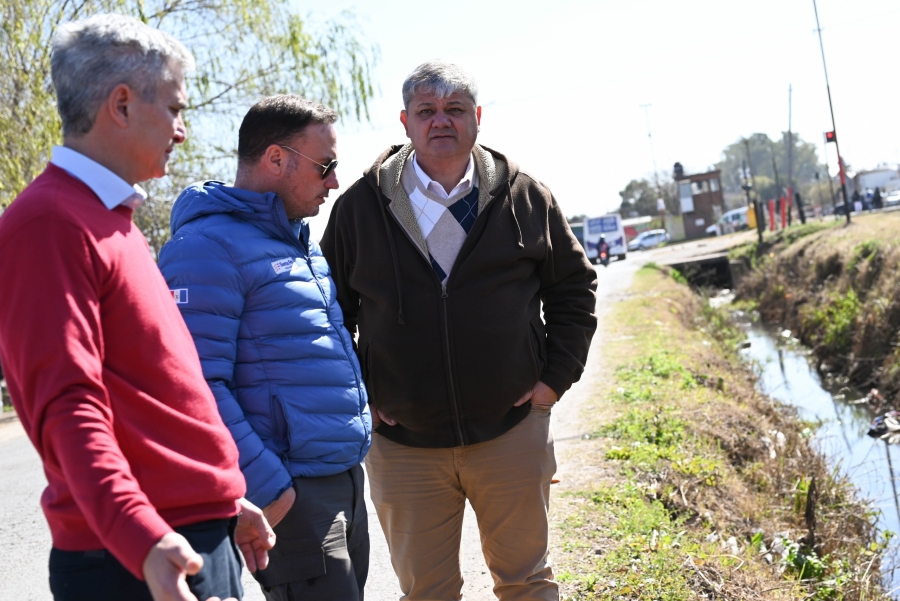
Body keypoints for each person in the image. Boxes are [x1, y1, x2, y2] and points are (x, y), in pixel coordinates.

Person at [0, 14, 274, 601]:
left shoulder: (108, 219)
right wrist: (141, 537)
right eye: (175, 110)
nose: (181, 131)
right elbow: (67, 405)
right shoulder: (50, 223)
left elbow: (150, 394)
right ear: (121, 105)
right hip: (134, 559)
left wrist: (224, 500)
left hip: (179, 538)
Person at [321, 60, 598, 600]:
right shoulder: (359, 208)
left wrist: (554, 380)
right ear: (405, 122)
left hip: (511, 433)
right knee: (427, 593)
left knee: (527, 583)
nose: (439, 122)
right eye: (426, 111)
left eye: (453, 110)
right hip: (403, 448)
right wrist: (361, 392)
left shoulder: (526, 197)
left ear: (477, 118)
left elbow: (572, 291)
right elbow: (329, 313)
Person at [158, 95, 372, 601]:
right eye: (327, 166)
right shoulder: (206, 248)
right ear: (276, 160)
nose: (334, 182)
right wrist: (270, 487)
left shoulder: (297, 243)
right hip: (292, 492)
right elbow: (194, 386)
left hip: (340, 479)